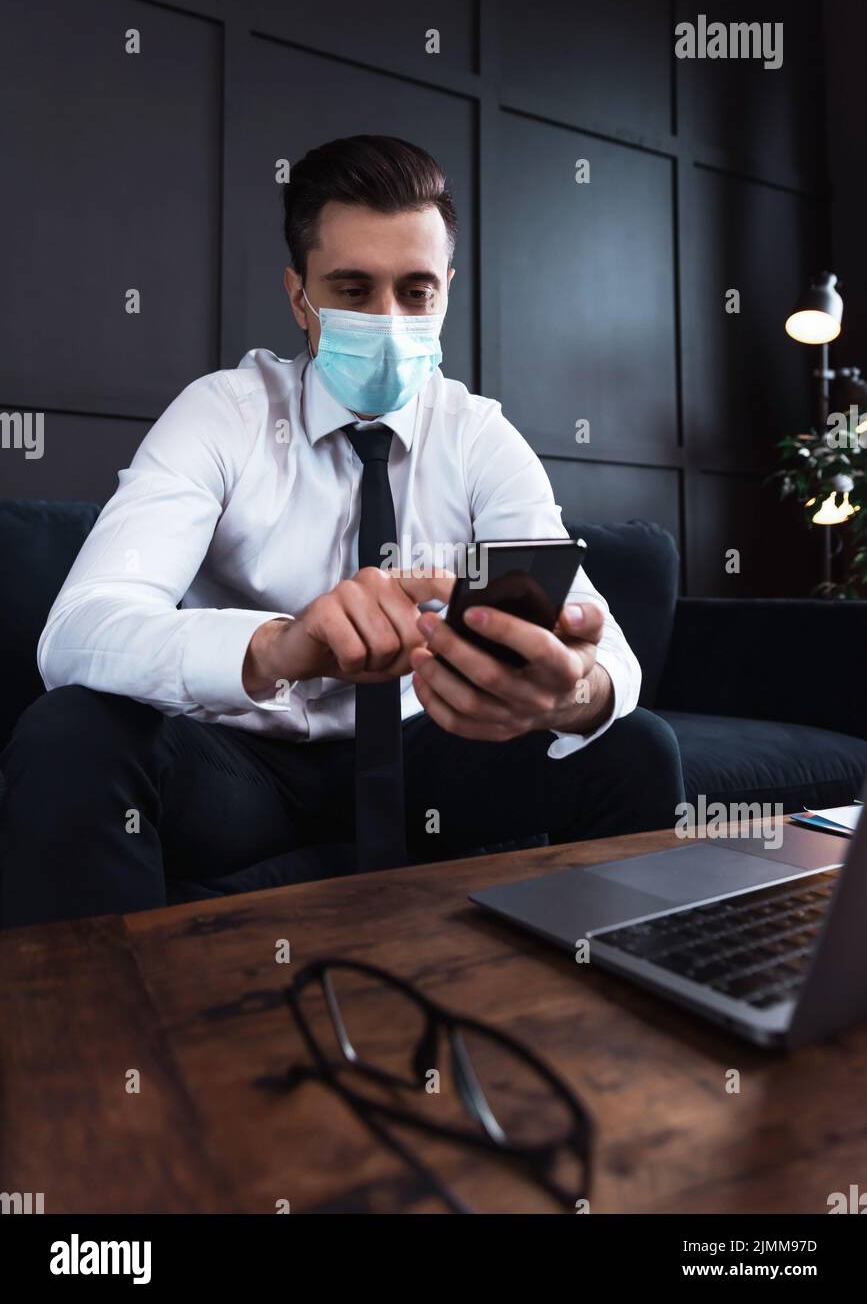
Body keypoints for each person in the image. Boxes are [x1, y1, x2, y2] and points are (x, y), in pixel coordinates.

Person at [0, 134, 684, 929]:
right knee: (71, 735)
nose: (387, 321)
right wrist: (276, 647)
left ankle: (608, 1035)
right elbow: (78, 631)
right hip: (245, 768)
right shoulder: (223, 413)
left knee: (633, 747)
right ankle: (96, 1047)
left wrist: (568, 692)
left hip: (428, 751)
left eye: (415, 291)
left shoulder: (479, 436)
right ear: (299, 296)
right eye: (352, 289)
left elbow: (609, 658)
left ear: (447, 292)